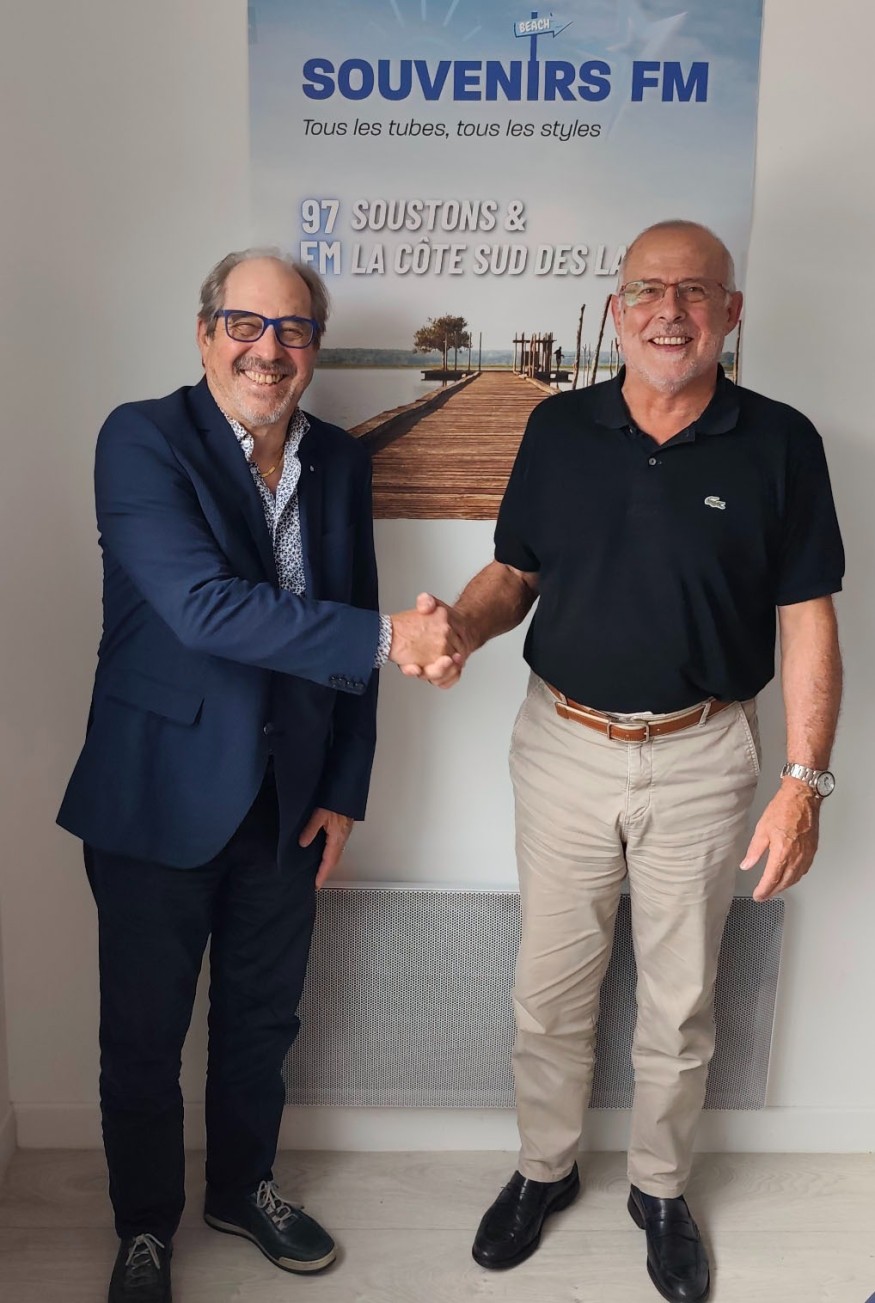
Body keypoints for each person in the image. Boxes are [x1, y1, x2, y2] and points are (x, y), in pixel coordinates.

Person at [408, 220, 844, 1302]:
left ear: (729, 313)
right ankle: (543, 1167)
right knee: (547, 992)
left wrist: (803, 782)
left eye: (695, 291)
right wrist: (460, 628)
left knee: (680, 1001)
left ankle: (659, 1188)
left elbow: (807, 621)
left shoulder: (781, 442)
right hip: (560, 746)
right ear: (615, 311)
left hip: (703, 754)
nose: (669, 311)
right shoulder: (558, 429)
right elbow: (513, 574)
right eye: (648, 289)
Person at [57, 249, 457, 1303]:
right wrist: (395, 638)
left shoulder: (339, 461)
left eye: (291, 330)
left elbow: (351, 624)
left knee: (261, 1022)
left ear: (313, 347)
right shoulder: (141, 439)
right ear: (205, 334)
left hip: (288, 801)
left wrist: (344, 790)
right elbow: (204, 609)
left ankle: (241, 1190)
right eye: (244, 324)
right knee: (143, 1036)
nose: (267, 350)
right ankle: (145, 1227)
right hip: (156, 793)